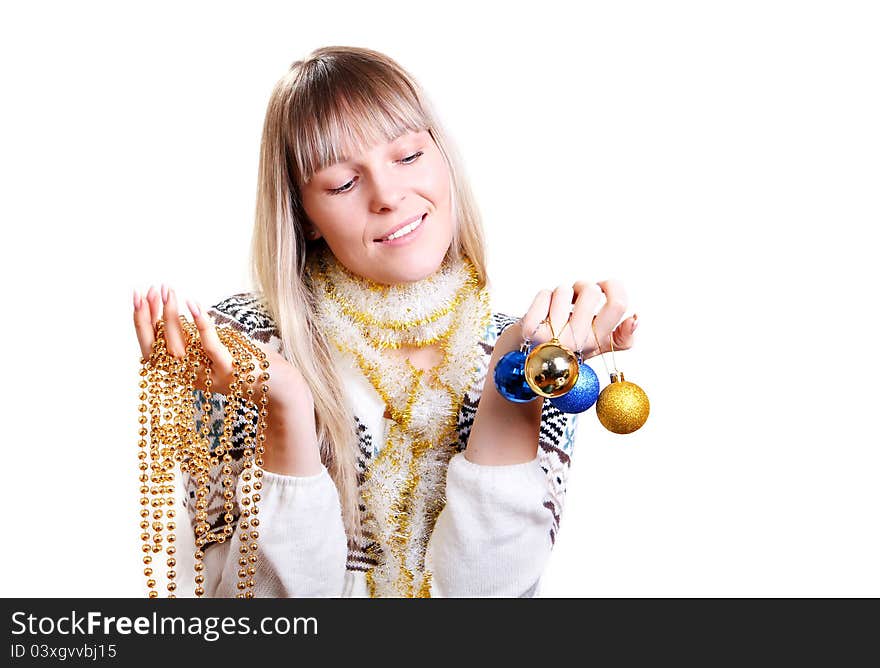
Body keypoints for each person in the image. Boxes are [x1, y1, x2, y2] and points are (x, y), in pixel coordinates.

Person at [132, 45, 639, 598]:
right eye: (343, 184)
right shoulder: (247, 344)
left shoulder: (529, 353)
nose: (389, 196)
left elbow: (486, 603)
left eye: (408, 156)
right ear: (305, 217)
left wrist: (508, 385)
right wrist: (287, 405)